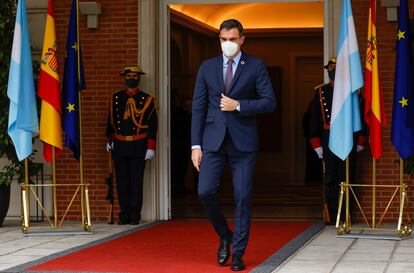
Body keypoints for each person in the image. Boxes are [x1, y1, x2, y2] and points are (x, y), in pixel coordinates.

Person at [191, 19, 276, 271]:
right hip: (212, 142)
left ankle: (238, 252)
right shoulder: (207, 68)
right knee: (204, 191)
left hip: (243, 143)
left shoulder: (256, 66)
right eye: (222, 39)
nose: (226, 44)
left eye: (231, 39)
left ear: (241, 40)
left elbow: (269, 102)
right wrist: (195, 145)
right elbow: (198, 107)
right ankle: (224, 235)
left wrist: (238, 105)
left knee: (242, 197)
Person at [308, 57, 366, 225]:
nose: (331, 70)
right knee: (331, 176)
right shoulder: (320, 91)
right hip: (328, 138)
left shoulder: (353, 92)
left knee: (347, 175)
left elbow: (361, 117)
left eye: (335, 67)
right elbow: (314, 119)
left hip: (348, 137)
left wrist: (361, 138)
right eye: (330, 67)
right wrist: (316, 143)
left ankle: (346, 214)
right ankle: (333, 216)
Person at [106, 66, 158, 225]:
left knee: (136, 182)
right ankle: (124, 214)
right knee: (122, 182)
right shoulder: (115, 98)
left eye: (135, 76)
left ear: (139, 79)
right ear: (124, 78)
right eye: (129, 76)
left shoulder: (147, 99)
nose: (132, 78)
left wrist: (150, 146)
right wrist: (109, 140)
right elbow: (110, 120)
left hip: (138, 145)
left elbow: (152, 124)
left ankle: (135, 215)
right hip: (120, 145)